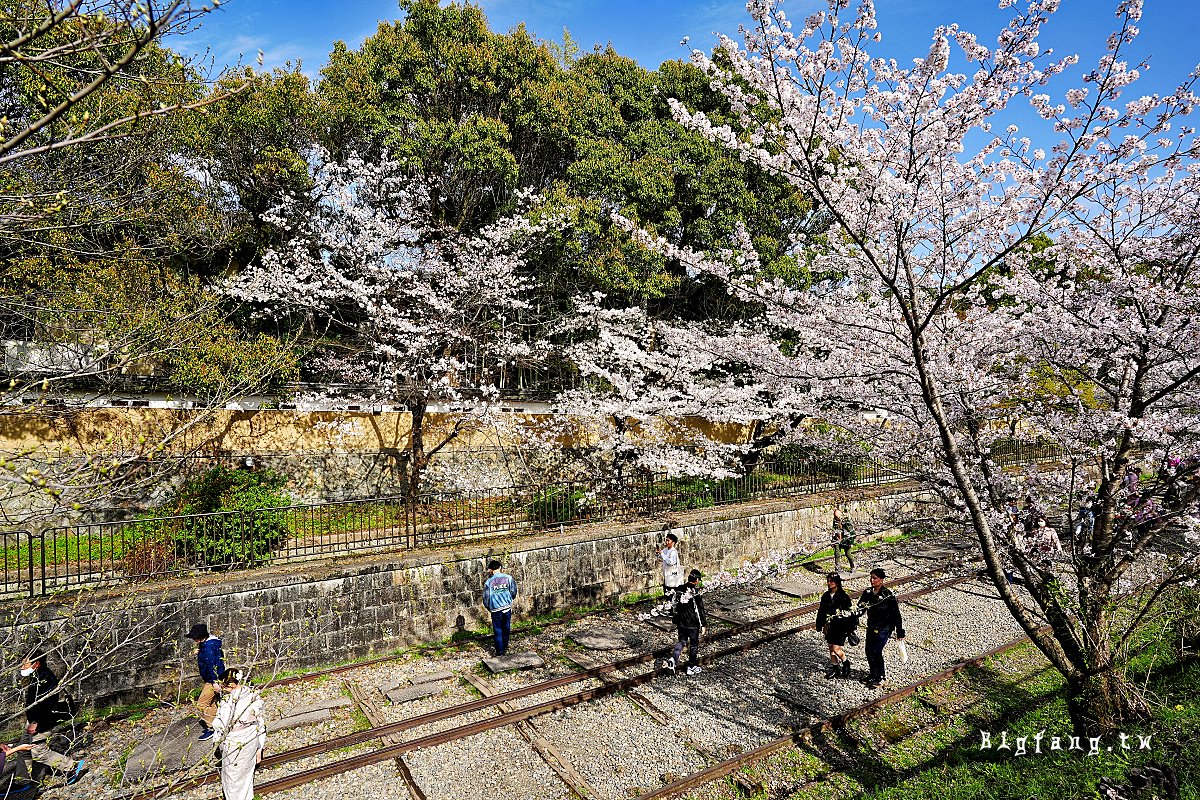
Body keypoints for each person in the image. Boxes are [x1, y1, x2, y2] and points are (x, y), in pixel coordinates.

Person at [18, 653, 87, 784]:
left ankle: (71, 767)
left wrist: (35, 722)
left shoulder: (46, 679)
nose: (22, 667)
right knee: (24, 747)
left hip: (41, 721)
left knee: (38, 751)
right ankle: (23, 780)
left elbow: (45, 705)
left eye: (25, 664)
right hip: (34, 719)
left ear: (36, 664)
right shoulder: (38, 676)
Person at [210, 668, 266, 800]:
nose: (222, 688)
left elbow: (220, 726)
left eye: (224, 685)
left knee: (232, 778)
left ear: (231, 685)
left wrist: (218, 742)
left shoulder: (228, 703)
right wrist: (260, 747)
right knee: (246, 774)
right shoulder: (253, 696)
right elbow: (260, 722)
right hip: (251, 738)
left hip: (234, 741)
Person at [857, 568, 905, 689]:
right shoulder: (867, 593)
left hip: (884, 628)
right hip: (871, 626)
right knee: (868, 650)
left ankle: (881, 676)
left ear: (881, 580)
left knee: (876, 651)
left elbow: (896, 614)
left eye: (875, 578)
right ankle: (873, 673)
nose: (872, 580)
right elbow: (861, 608)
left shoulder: (888, 595)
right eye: (871, 578)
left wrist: (899, 630)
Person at [663, 569, 707, 676]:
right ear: (696, 580)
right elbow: (699, 610)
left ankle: (673, 659)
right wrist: (703, 625)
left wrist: (675, 618)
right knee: (693, 645)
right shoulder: (695, 593)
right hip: (692, 624)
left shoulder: (679, 589)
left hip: (681, 622)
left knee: (682, 642)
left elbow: (673, 604)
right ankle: (691, 667)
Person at [187, 623, 226, 741]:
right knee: (212, 703)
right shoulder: (209, 644)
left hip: (212, 680)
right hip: (213, 678)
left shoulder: (208, 648)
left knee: (202, 704)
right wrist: (200, 651)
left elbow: (211, 664)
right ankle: (216, 723)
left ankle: (211, 728)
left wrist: (215, 681)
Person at [815, 572, 856, 678]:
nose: (829, 583)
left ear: (837, 582)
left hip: (840, 626)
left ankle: (845, 663)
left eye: (831, 581)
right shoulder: (826, 596)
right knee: (830, 647)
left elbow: (850, 613)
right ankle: (835, 668)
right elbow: (821, 611)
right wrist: (820, 624)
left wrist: (850, 628)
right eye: (828, 581)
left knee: (836, 648)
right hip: (829, 626)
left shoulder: (843, 597)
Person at [483, 560, 518, 657]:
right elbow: (513, 591)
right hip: (506, 607)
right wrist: (509, 599)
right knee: (506, 627)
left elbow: (486, 598)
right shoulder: (508, 578)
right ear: (500, 568)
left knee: (497, 629)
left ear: (491, 570)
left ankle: (499, 651)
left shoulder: (488, 582)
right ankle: (505, 645)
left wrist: (489, 607)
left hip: (495, 609)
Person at [831, 506, 857, 571]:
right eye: (835, 516)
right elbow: (834, 530)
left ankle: (853, 565)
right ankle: (837, 568)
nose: (836, 518)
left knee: (848, 554)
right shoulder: (835, 521)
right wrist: (833, 541)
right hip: (837, 540)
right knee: (837, 553)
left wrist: (851, 542)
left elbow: (852, 532)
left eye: (837, 517)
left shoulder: (846, 521)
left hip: (846, 540)